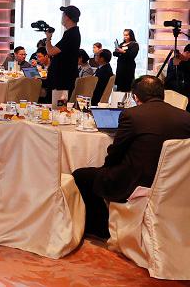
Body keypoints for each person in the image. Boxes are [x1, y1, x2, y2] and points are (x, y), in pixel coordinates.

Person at [72, 76, 190, 238]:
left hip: (138, 182)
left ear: (136, 97)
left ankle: (100, 228)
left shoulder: (132, 115)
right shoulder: (185, 117)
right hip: (173, 182)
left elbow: (116, 152)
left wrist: (106, 169)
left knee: (81, 176)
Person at [44, 5, 82, 100]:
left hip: (62, 79)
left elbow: (51, 51)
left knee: (57, 108)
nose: (62, 18)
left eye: (63, 15)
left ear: (67, 17)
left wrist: (48, 38)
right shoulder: (73, 33)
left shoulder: (71, 34)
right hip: (64, 77)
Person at [165, 44, 190, 109]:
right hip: (175, 85)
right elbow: (176, 74)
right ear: (187, 53)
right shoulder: (175, 59)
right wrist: (181, 60)